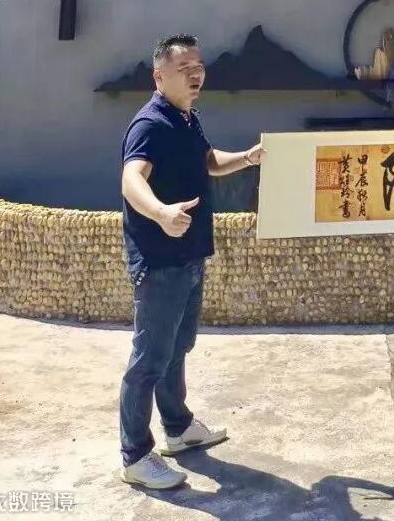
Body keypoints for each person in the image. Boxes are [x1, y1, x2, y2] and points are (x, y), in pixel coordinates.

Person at [119, 34, 264, 489]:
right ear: (159, 76)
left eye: (198, 66)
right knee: (148, 360)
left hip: (190, 254)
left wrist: (247, 158)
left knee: (176, 348)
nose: (195, 74)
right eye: (184, 69)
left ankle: (178, 428)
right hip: (161, 260)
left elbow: (208, 162)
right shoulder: (150, 124)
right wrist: (161, 213)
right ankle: (134, 456)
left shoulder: (186, 118)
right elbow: (131, 179)